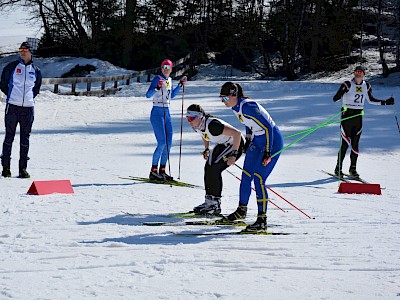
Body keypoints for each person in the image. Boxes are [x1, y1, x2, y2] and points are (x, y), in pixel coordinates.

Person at [218, 82, 283, 232]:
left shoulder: (248, 106)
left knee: (259, 178)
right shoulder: (235, 107)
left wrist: (267, 151)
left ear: (234, 94)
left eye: (225, 98)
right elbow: (248, 122)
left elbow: (267, 127)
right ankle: (241, 210)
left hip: (272, 140)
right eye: (221, 98)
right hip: (258, 140)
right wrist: (248, 139)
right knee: (246, 174)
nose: (223, 102)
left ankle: (262, 220)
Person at [333, 66, 395, 177]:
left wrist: (386, 102)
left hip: (358, 116)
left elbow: (371, 100)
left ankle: (353, 169)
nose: (358, 74)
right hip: (347, 115)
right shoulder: (347, 84)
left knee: (355, 144)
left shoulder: (366, 86)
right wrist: (339, 95)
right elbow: (336, 97)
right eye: (356, 72)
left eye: (360, 72)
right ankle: (338, 168)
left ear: (363, 74)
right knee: (345, 144)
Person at [186, 104, 244, 216]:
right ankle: (209, 202)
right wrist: (206, 149)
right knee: (208, 168)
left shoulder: (213, 125)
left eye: (191, 118)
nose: (189, 121)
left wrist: (234, 154)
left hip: (236, 144)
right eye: (187, 118)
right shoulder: (197, 125)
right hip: (223, 143)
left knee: (215, 170)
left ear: (199, 116)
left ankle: (215, 204)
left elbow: (237, 134)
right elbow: (203, 134)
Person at [0, 42, 42, 178]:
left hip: (28, 109)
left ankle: (22, 169)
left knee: (25, 139)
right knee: (9, 138)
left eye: (25, 50)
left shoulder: (36, 70)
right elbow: (3, 84)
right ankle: (6, 168)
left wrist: (28, 98)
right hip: (12, 107)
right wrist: (12, 96)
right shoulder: (11, 67)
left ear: (30, 52)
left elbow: (36, 89)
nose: (23, 52)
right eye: (21, 50)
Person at [145, 59, 187, 181]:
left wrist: (180, 85)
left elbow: (171, 96)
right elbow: (148, 95)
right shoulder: (158, 78)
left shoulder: (169, 80)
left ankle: (162, 170)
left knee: (168, 143)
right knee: (162, 142)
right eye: (163, 67)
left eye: (168, 67)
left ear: (171, 69)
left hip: (167, 112)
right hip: (157, 112)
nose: (165, 69)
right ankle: (153, 170)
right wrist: (157, 88)